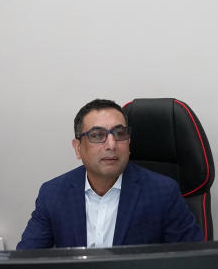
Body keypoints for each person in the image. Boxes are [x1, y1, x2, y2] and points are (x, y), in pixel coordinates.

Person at [17, 98, 203, 249]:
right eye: (97, 135)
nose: (112, 145)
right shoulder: (53, 193)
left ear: (129, 143)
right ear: (78, 148)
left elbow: (191, 262)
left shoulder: (163, 192)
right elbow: (27, 263)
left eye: (120, 134)